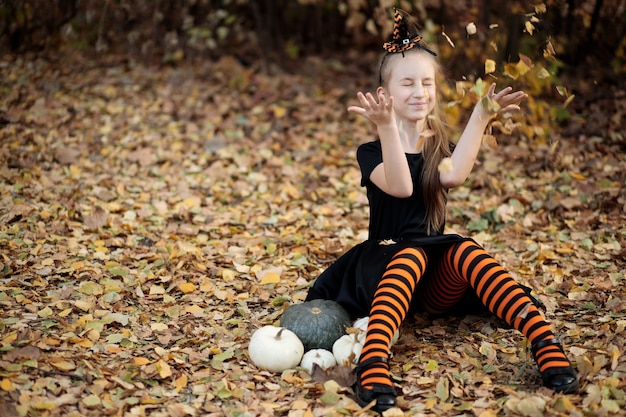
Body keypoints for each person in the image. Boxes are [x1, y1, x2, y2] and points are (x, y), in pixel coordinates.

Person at [305, 8, 579, 413]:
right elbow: (401, 186)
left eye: (427, 82)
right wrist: (385, 129)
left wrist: (481, 116)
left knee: (464, 249)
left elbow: (454, 177)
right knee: (412, 253)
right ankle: (374, 361)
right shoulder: (370, 152)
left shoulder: (437, 146)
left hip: (432, 279)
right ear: (387, 94)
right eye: (408, 83)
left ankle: (543, 340)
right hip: (384, 268)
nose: (420, 91)